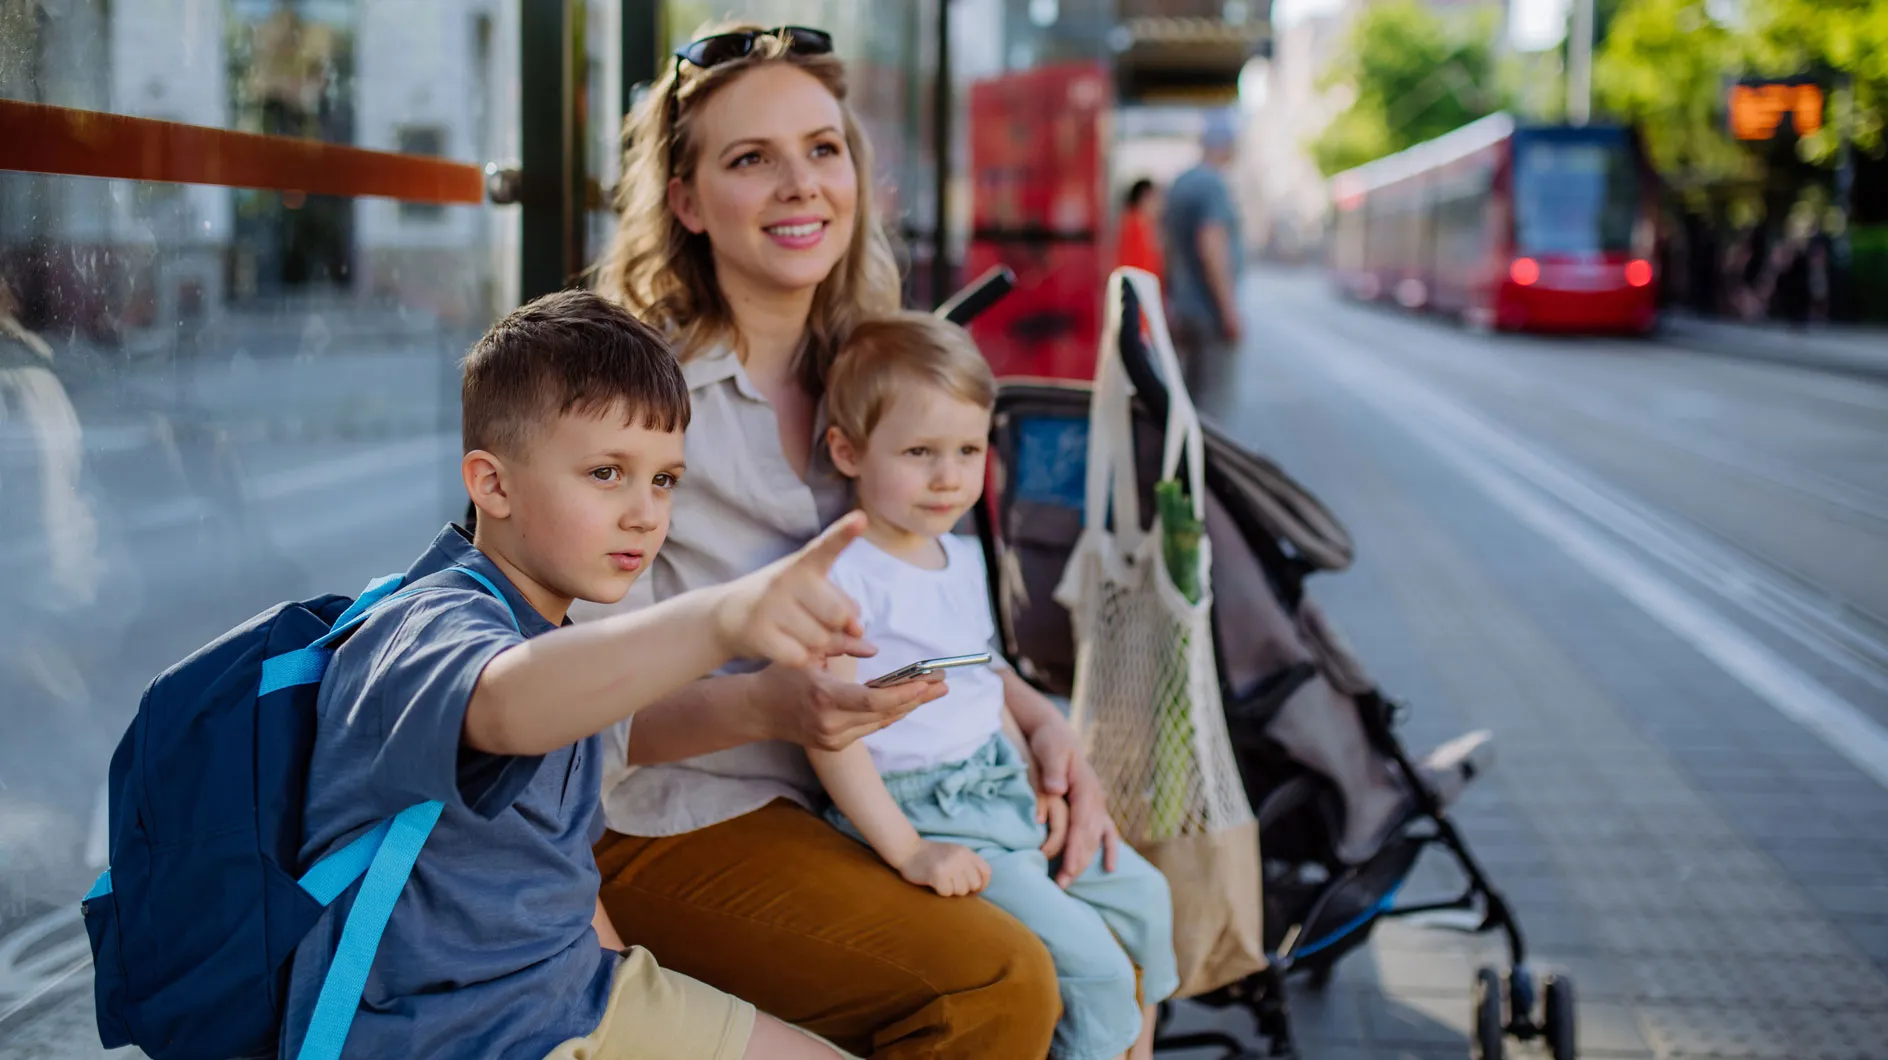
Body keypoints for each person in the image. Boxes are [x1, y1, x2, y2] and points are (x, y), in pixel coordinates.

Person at [583, 22, 1118, 1057]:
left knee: (1115, 937)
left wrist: (1043, 724)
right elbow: (580, 710)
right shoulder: (633, 401)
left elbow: (934, 608)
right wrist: (769, 702)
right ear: (685, 201)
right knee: (999, 982)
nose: (800, 185)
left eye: (822, 149)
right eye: (751, 159)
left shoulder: (886, 381)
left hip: (887, 793)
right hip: (673, 816)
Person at [283, 289, 871, 1060]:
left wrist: (624, 978)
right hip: (452, 1035)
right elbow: (503, 703)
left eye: (664, 480)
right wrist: (721, 620)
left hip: (571, 994)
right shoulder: (427, 624)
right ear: (491, 485)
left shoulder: (558, 632)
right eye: (605, 473)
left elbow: (561, 877)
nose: (645, 513)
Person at [810, 313, 1177, 1060]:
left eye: (968, 450)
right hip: (926, 809)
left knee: (1145, 900)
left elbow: (981, 672)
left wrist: (1033, 745)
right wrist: (911, 850)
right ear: (847, 451)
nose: (949, 476)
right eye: (920, 452)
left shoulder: (958, 552)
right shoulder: (840, 578)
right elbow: (830, 732)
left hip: (996, 786)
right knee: (1095, 972)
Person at [1160, 113, 1244, 395]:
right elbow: (1211, 247)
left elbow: (1167, 249)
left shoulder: (1180, 184)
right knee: (1211, 408)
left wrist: (1170, 300)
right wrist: (1229, 311)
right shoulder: (1214, 185)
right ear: (1226, 145)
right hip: (1209, 315)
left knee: (1189, 398)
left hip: (1183, 310)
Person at [1115, 178, 1164, 281]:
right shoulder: (1134, 224)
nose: (1158, 204)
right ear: (1144, 198)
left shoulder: (1145, 224)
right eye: (1155, 198)